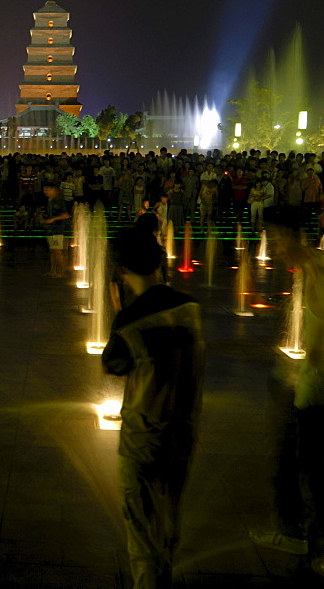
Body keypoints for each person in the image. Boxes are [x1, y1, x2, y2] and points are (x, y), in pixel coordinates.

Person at [252, 208, 324, 589]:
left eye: (274, 237)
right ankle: (294, 532)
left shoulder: (322, 274)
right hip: (317, 389)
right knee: (289, 465)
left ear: (291, 237)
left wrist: (318, 364)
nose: (272, 246)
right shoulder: (318, 268)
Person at [102, 227, 205, 588]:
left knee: (142, 529)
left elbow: (114, 364)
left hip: (143, 436)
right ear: (160, 263)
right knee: (168, 519)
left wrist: (120, 312)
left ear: (121, 270)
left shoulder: (131, 319)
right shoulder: (190, 309)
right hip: (183, 431)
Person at [41, 183, 70, 277]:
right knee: (53, 250)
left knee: (57, 250)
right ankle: (53, 270)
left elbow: (66, 215)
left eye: (48, 189)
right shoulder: (50, 201)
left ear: (54, 190)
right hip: (51, 229)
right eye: (44, 189)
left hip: (58, 229)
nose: (46, 192)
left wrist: (52, 219)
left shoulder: (59, 201)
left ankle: (61, 272)